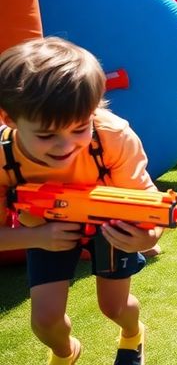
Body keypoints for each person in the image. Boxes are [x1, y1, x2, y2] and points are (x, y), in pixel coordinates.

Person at [0, 37, 163, 365]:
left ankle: (133, 333)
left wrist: (145, 238)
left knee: (115, 307)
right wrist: (38, 236)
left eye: (79, 128)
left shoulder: (113, 137)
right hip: (47, 230)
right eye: (46, 135)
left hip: (111, 225)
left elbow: (151, 211)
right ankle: (65, 352)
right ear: (10, 119)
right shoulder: (4, 157)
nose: (65, 145)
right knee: (45, 322)